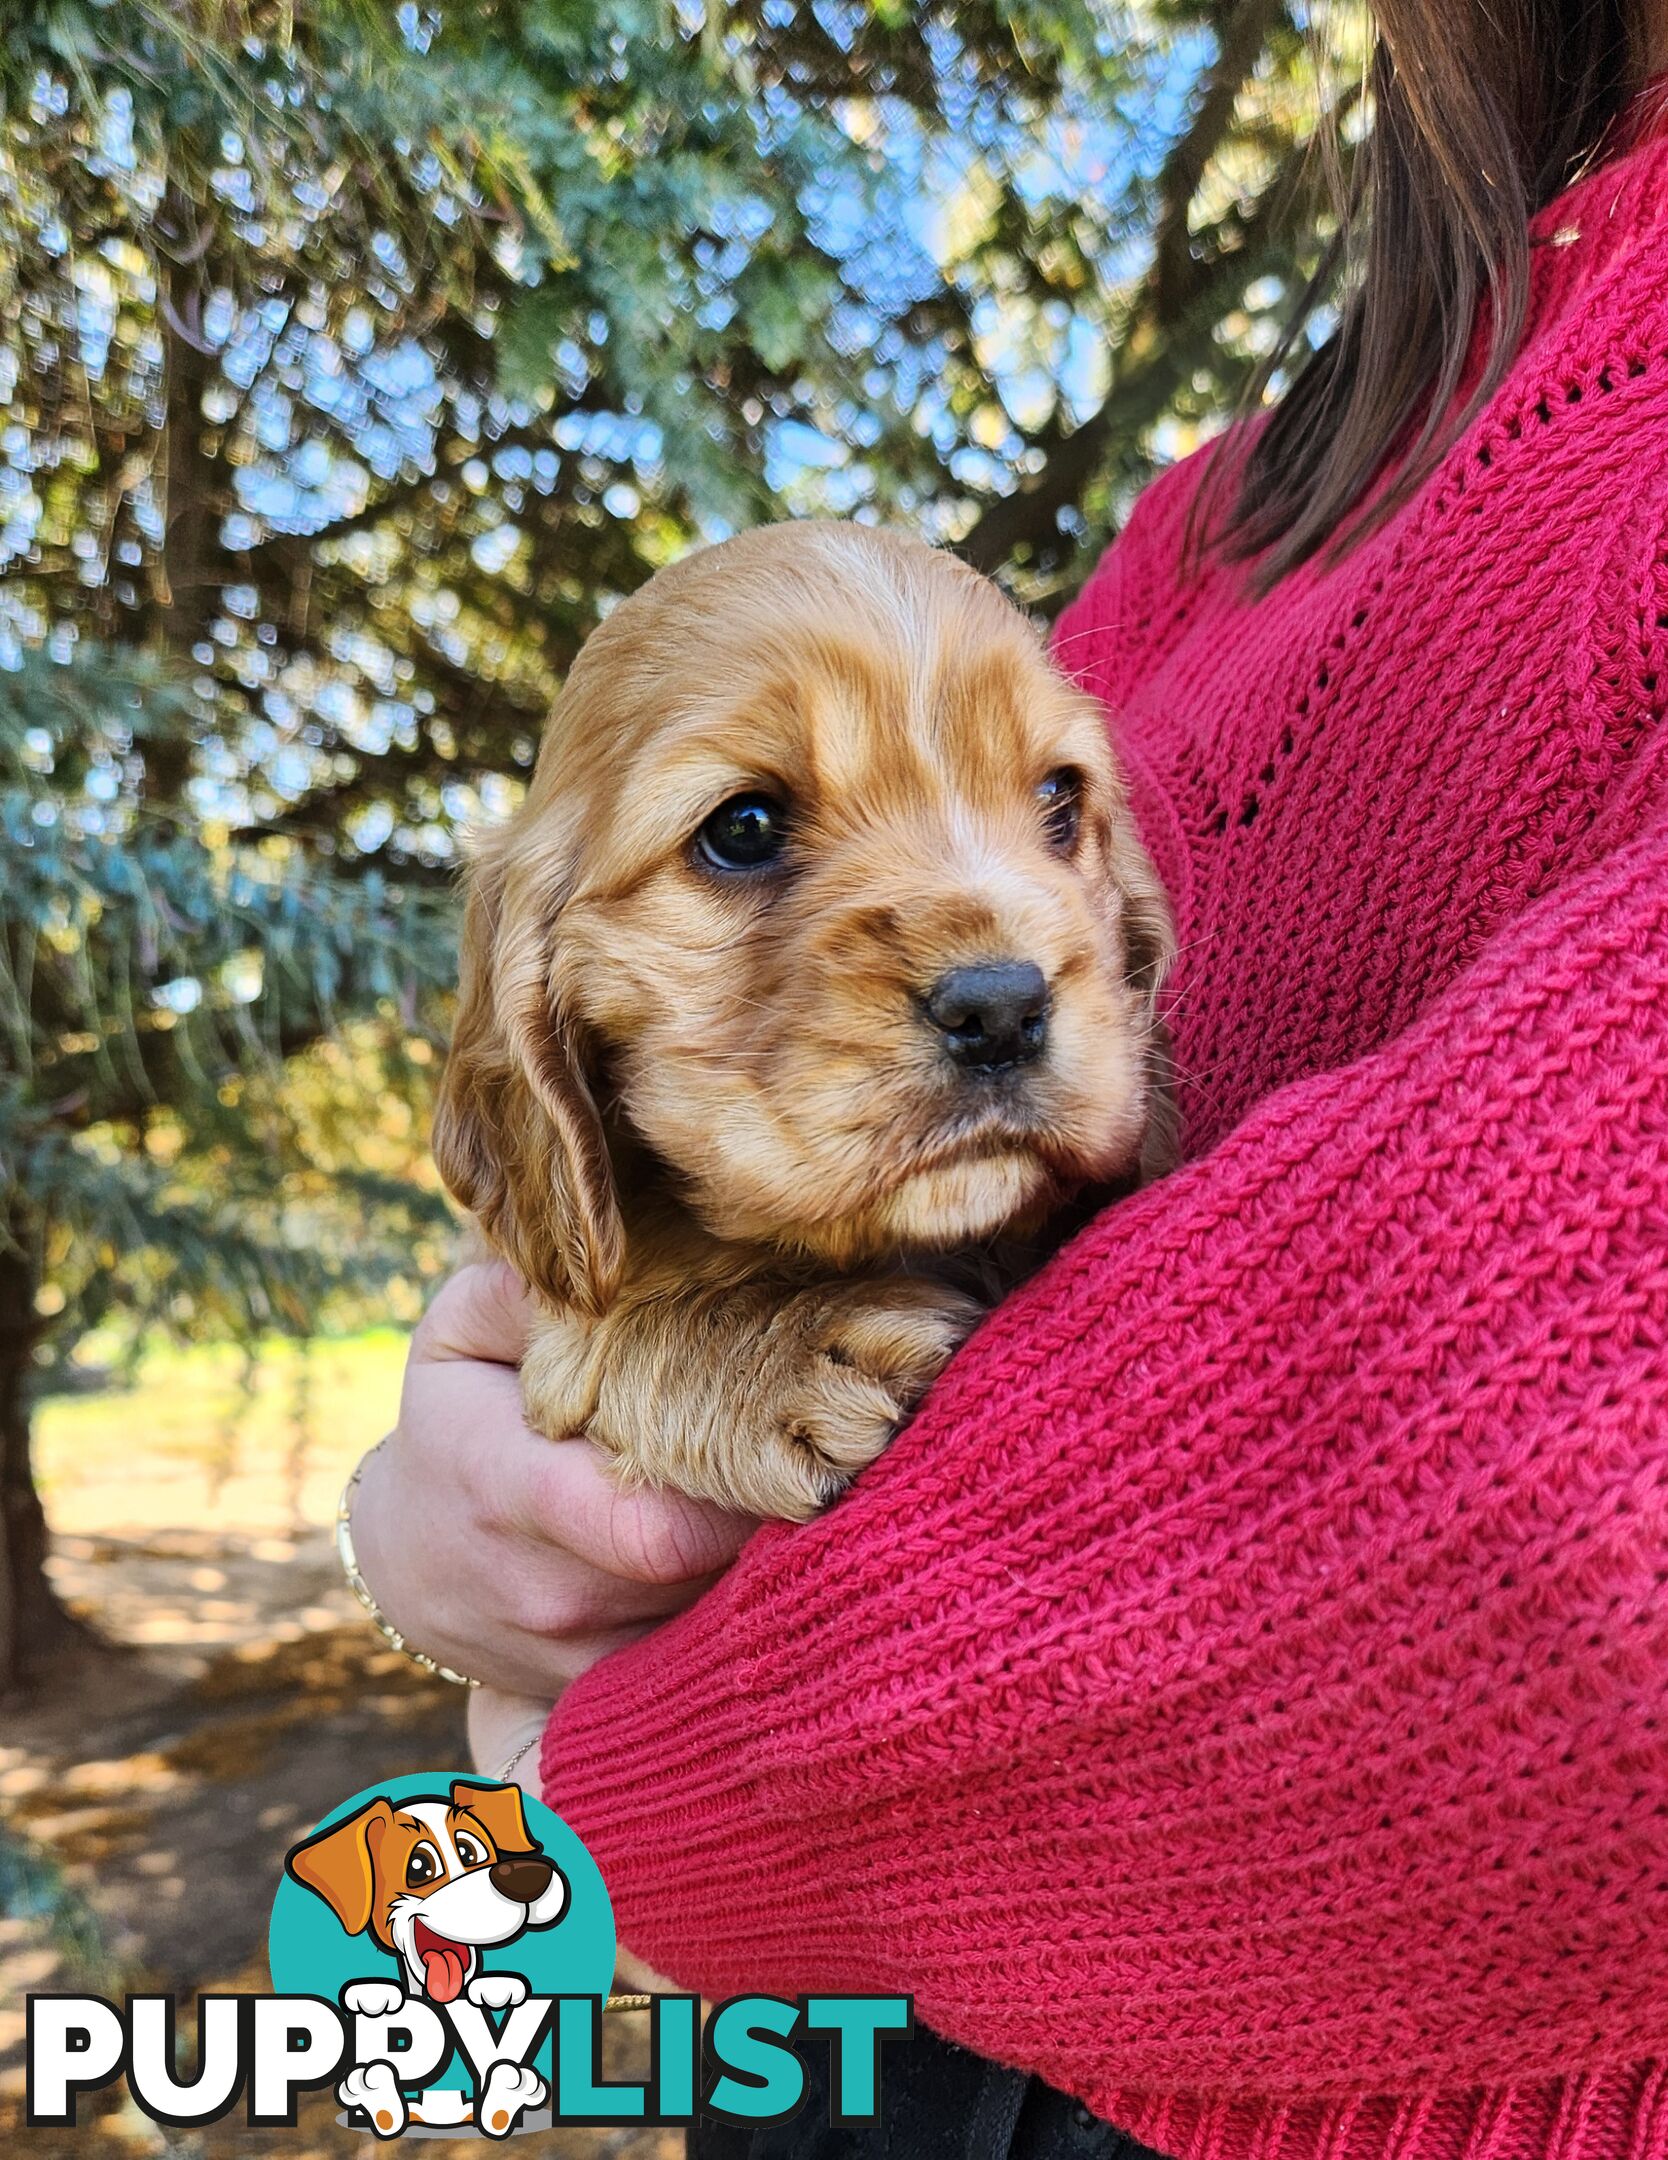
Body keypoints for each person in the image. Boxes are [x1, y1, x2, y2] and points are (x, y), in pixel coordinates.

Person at [346, 4, 1668, 2154]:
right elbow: (549, 1331)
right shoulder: (1243, 501)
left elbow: (1560, 1493)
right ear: (534, 996)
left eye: (1056, 815)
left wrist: (625, 1773)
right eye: (751, 833)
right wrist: (504, 1441)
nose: (1000, 946)